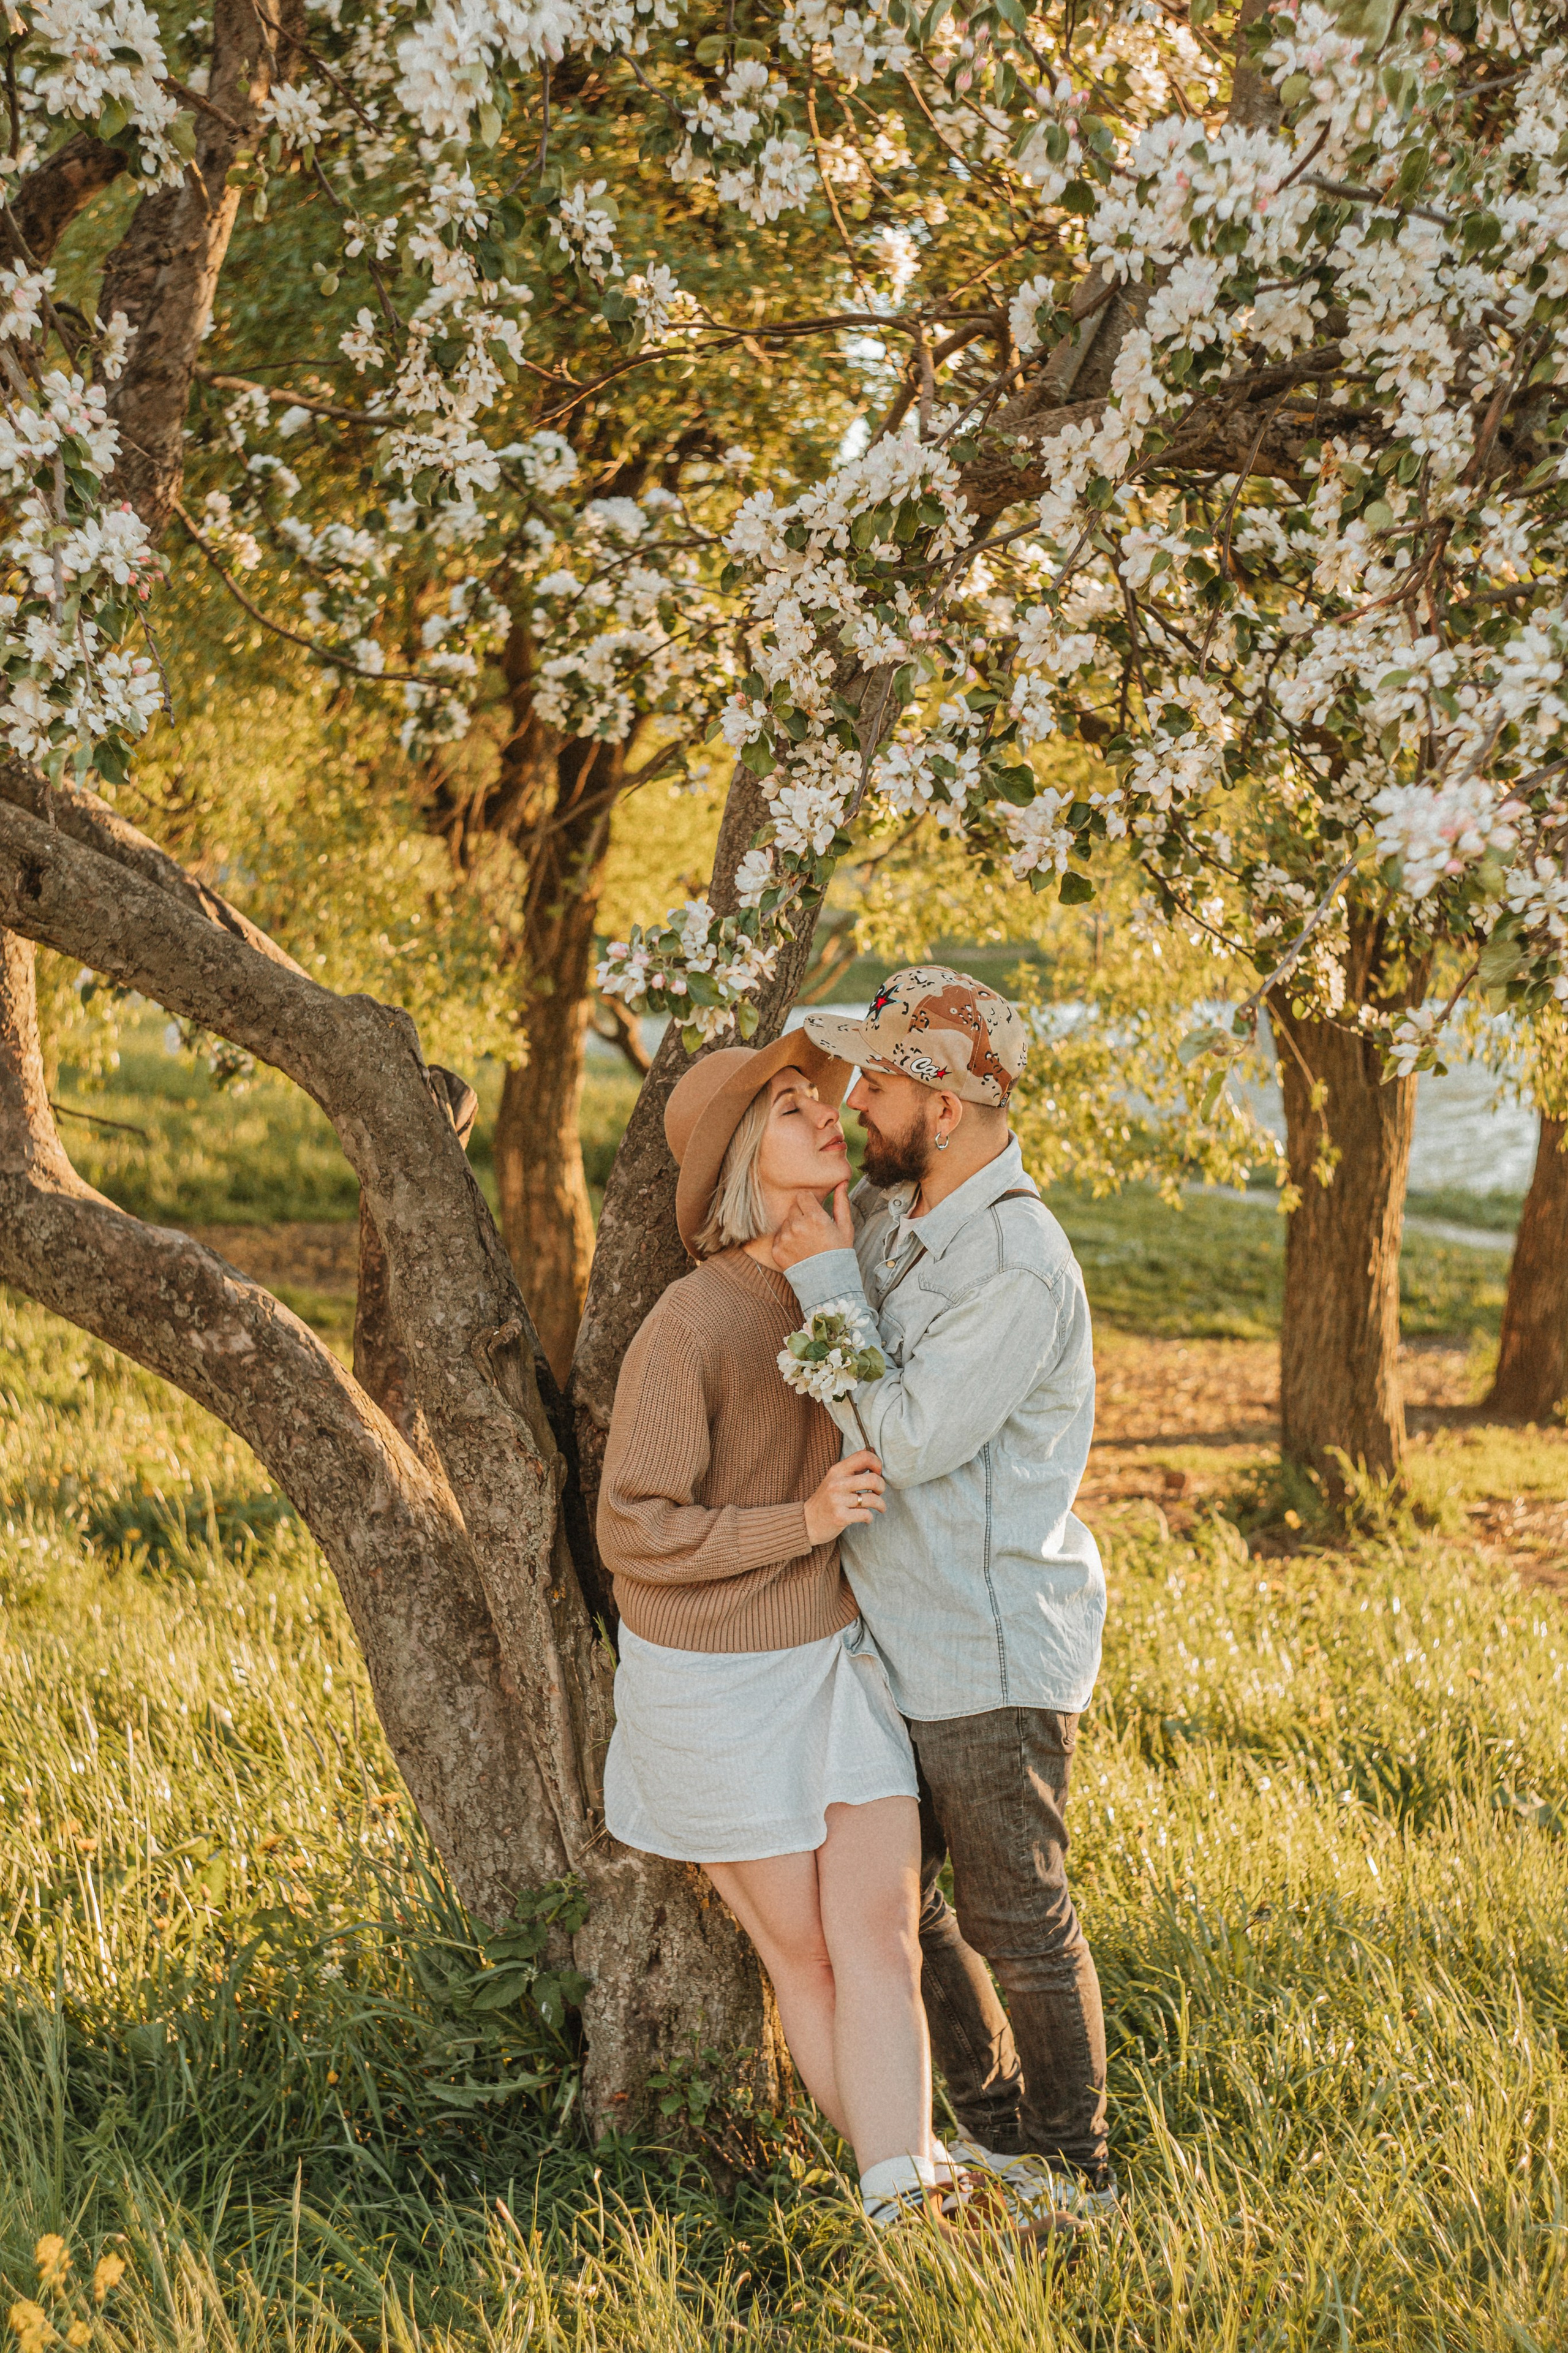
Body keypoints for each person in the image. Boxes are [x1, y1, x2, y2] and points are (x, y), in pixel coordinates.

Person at [597, 1035, 1069, 2241]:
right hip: (712, 1685)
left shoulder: (853, 1270)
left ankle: (917, 2184)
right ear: (745, 1158)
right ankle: (904, 2200)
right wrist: (795, 1522)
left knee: (880, 1939)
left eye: (824, 1095)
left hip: (835, 1661)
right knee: (803, 1957)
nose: (830, 1111)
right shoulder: (691, 1318)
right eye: (795, 1104)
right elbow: (631, 1528)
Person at [771, 966, 1115, 2218]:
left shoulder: (1015, 1264)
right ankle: (984, 2140)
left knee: (1013, 1916)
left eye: (879, 1079)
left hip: (984, 1647)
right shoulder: (891, 1213)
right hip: (885, 1639)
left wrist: (822, 1286)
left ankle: (1073, 2174)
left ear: (952, 1105)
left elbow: (904, 1436)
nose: (855, 1098)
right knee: (902, 1914)